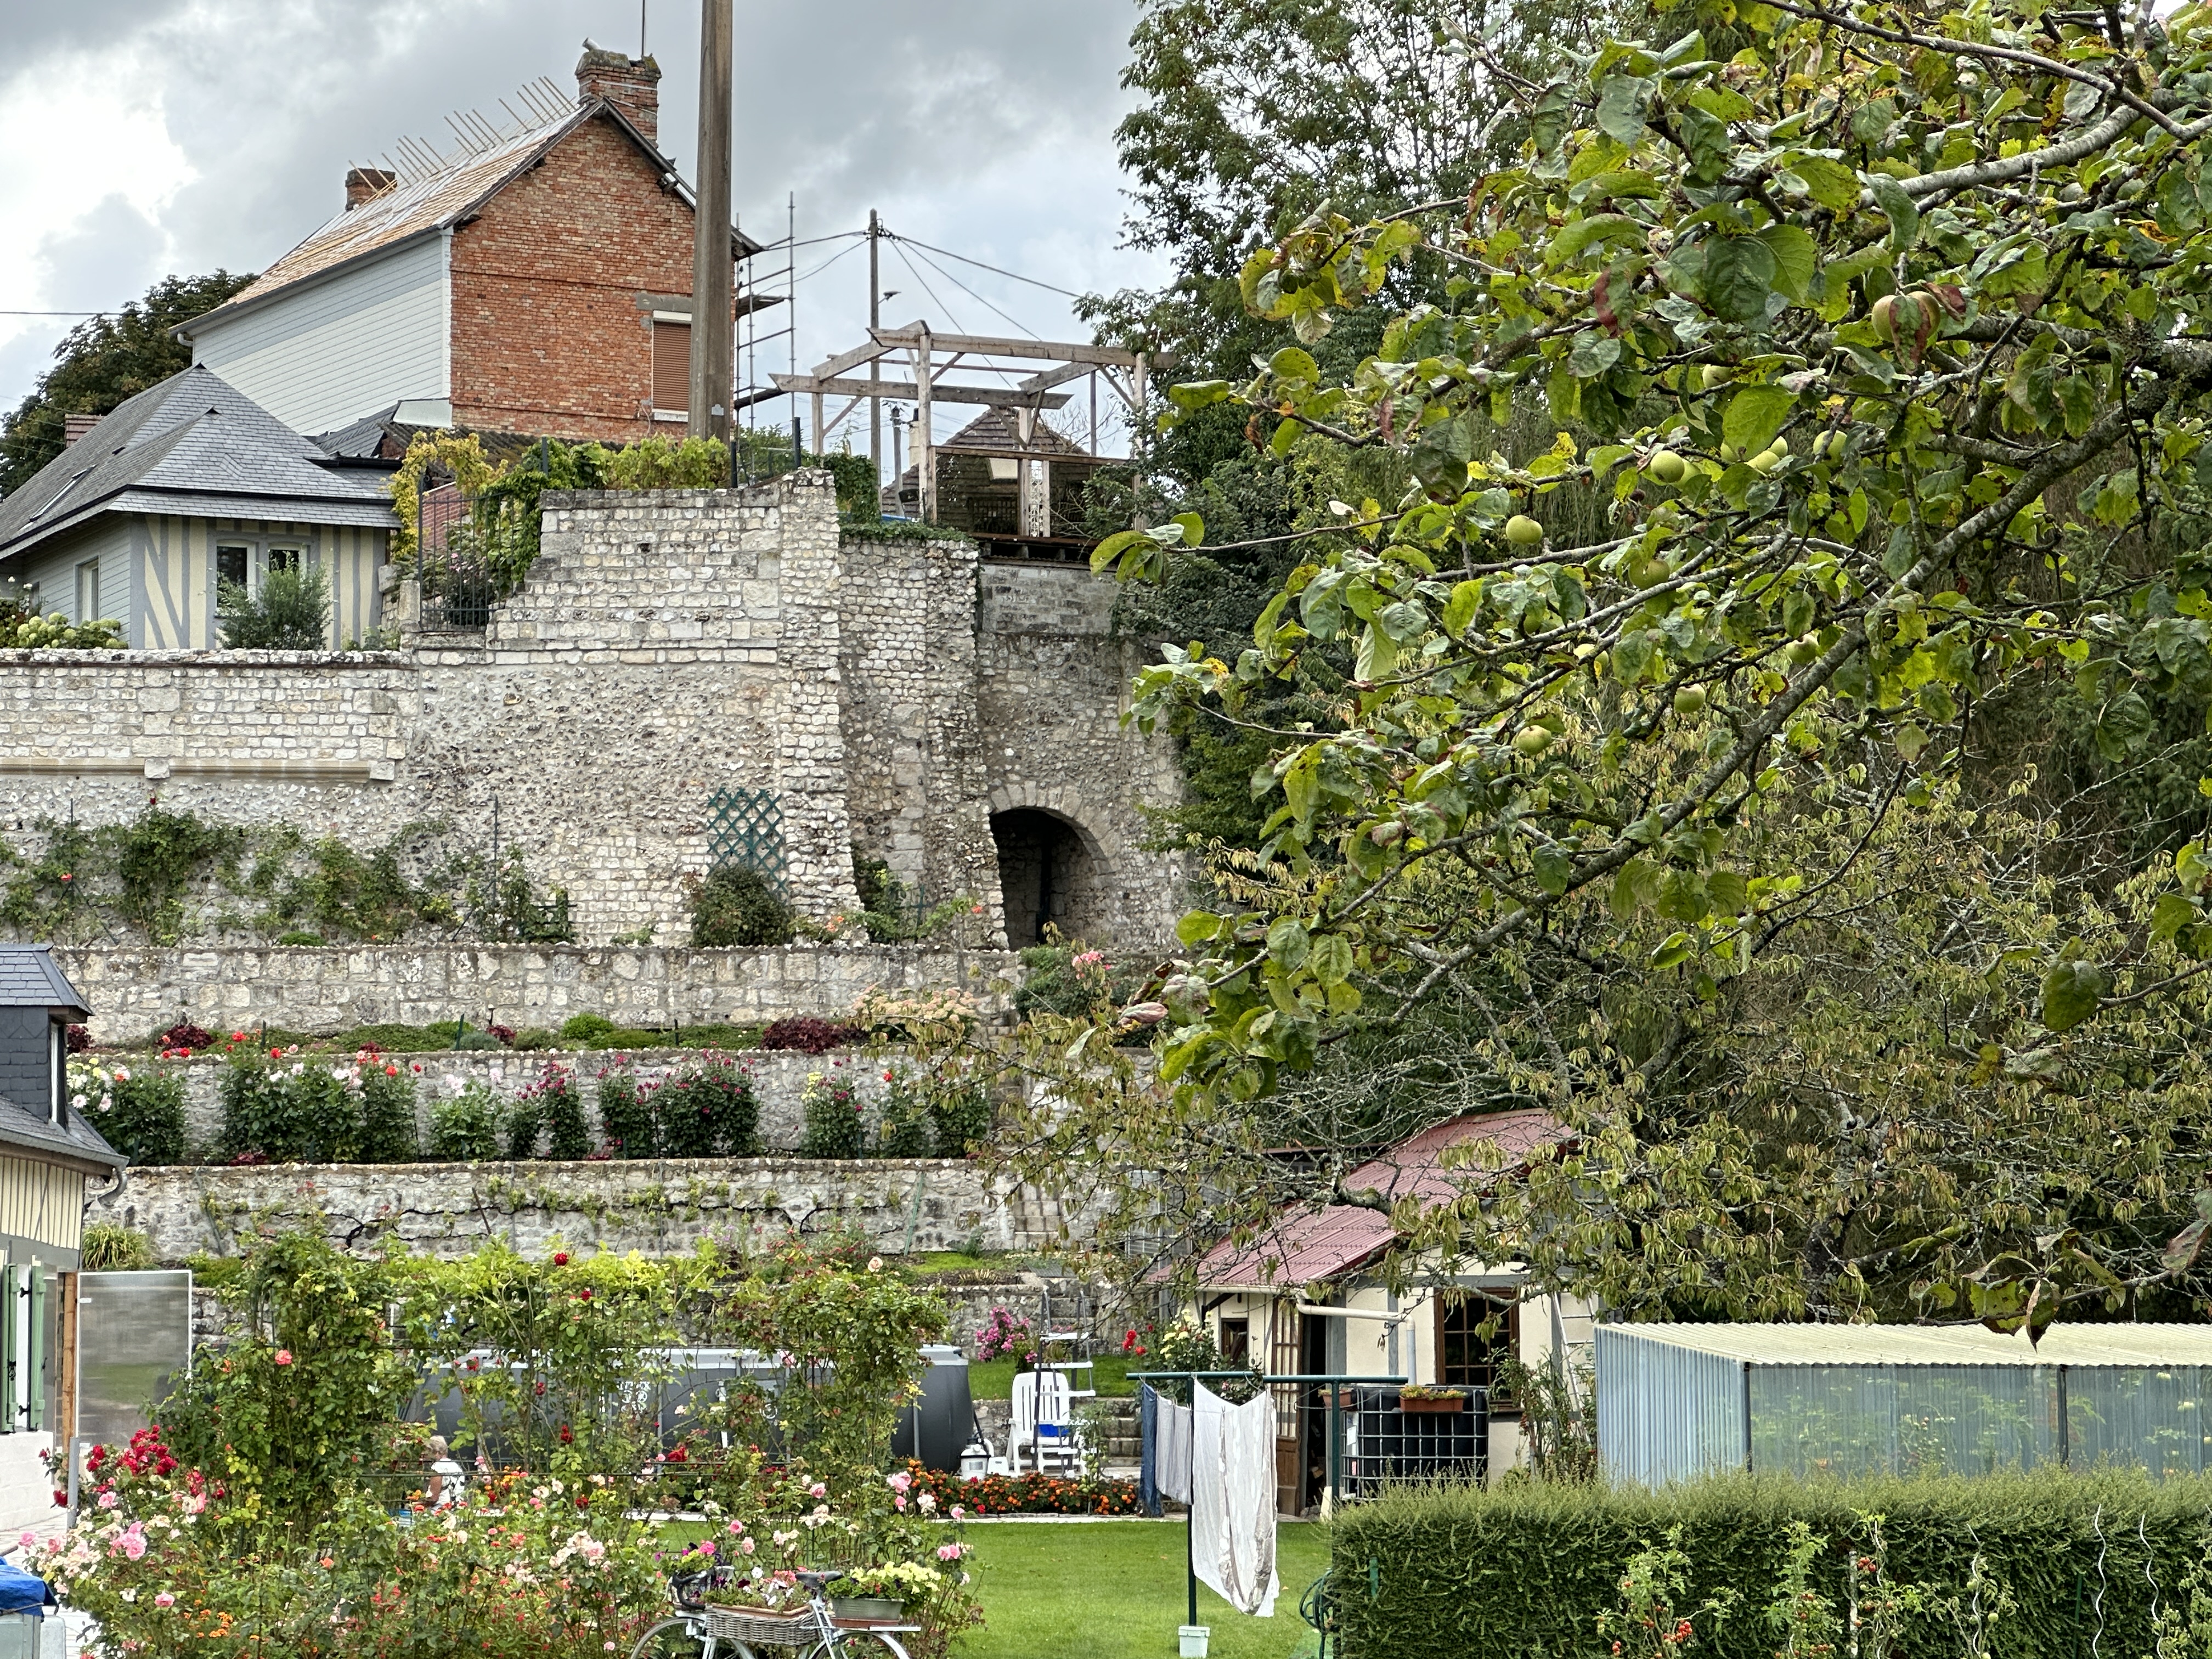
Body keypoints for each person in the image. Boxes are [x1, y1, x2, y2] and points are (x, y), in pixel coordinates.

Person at [425, 1435, 465, 1508]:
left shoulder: (437, 1467)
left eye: (428, 1451)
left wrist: (418, 1504)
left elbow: (433, 1498)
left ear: (436, 1452)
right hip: (458, 1508)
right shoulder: (456, 1466)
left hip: (441, 1510)